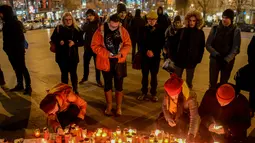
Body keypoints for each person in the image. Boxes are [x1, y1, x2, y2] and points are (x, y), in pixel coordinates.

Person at [91, 14, 131, 116]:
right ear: (108, 23)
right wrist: (107, 54)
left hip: (119, 61)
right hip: (105, 61)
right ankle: (109, 105)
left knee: (119, 85)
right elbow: (94, 46)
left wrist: (121, 53)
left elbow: (128, 44)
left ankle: (118, 107)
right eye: (112, 26)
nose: (114, 28)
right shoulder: (100, 31)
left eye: (116, 26)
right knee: (107, 84)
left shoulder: (122, 30)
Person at [157, 74, 199, 142]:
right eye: (171, 96)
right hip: (172, 117)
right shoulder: (167, 95)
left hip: (184, 118)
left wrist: (191, 134)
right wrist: (168, 118)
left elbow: (194, 117)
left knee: (181, 127)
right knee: (160, 123)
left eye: (175, 96)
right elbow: (164, 106)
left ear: (180, 92)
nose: (173, 98)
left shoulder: (190, 97)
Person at [0, 5, 32, 95]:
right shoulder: (6, 23)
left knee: (22, 68)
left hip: (17, 50)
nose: (0, 15)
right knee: (16, 68)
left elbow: (20, 38)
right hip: (10, 51)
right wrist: (6, 48)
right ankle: (20, 84)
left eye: (1, 13)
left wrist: (17, 48)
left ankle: (28, 86)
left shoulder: (15, 23)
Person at [206, 9, 241, 89]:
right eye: (223, 17)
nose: (224, 20)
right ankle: (211, 98)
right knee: (212, 83)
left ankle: (221, 98)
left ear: (231, 19)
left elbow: (236, 48)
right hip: (215, 60)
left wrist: (227, 59)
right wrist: (216, 54)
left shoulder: (236, 30)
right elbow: (208, 44)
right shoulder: (215, 28)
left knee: (223, 83)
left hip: (227, 62)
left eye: (227, 18)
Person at [50, 12, 83, 94]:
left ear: (72, 20)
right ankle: (65, 90)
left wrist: (74, 43)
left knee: (73, 74)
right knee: (64, 74)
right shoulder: (59, 28)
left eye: (70, 19)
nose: (68, 21)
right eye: (66, 20)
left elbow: (82, 42)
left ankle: (75, 89)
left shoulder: (77, 29)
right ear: (63, 20)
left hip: (72, 56)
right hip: (61, 56)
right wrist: (59, 41)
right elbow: (52, 38)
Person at [171, 10, 205, 89]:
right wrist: (173, 56)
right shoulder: (182, 31)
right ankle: (176, 95)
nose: (191, 22)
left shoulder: (200, 33)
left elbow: (201, 47)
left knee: (189, 82)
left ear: (197, 21)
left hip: (191, 61)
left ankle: (186, 96)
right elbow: (173, 44)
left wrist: (198, 59)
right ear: (187, 21)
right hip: (180, 59)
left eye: (194, 21)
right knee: (177, 80)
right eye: (190, 20)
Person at [137, 10, 165, 102]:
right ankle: (144, 92)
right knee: (144, 75)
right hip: (145, 56)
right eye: (149, 19)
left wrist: (154, 52)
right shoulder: (143, 29)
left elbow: (161, 43)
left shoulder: (160, 30)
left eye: (153, 19)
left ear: (156, 20)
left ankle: (153, 93)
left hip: (155, 57)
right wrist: (146, 51)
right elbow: (140, 43)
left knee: (154, 76)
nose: (151, 21)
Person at [79, 9, 103, 87]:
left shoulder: (99, 24)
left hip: (97, 48)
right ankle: (85, 77)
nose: (89, 17)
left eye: (90, 15)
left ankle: (98, 79)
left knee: (97, 65)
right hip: (88, 48)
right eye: (88, 16)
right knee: (86, 63)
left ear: (94, 15)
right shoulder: (86, 24)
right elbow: (81, 31)